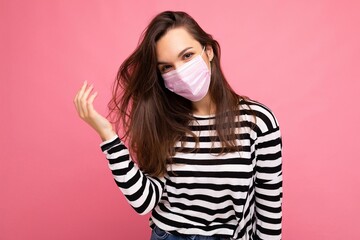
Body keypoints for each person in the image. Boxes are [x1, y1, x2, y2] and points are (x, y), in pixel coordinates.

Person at [74, 11, 282, 240]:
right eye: (166, 67)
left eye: (187, 55)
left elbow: (269, 211)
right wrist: (108, 137)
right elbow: (144, 201)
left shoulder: (258, 121)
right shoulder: (164, 122)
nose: (180, 73)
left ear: (209, 51)